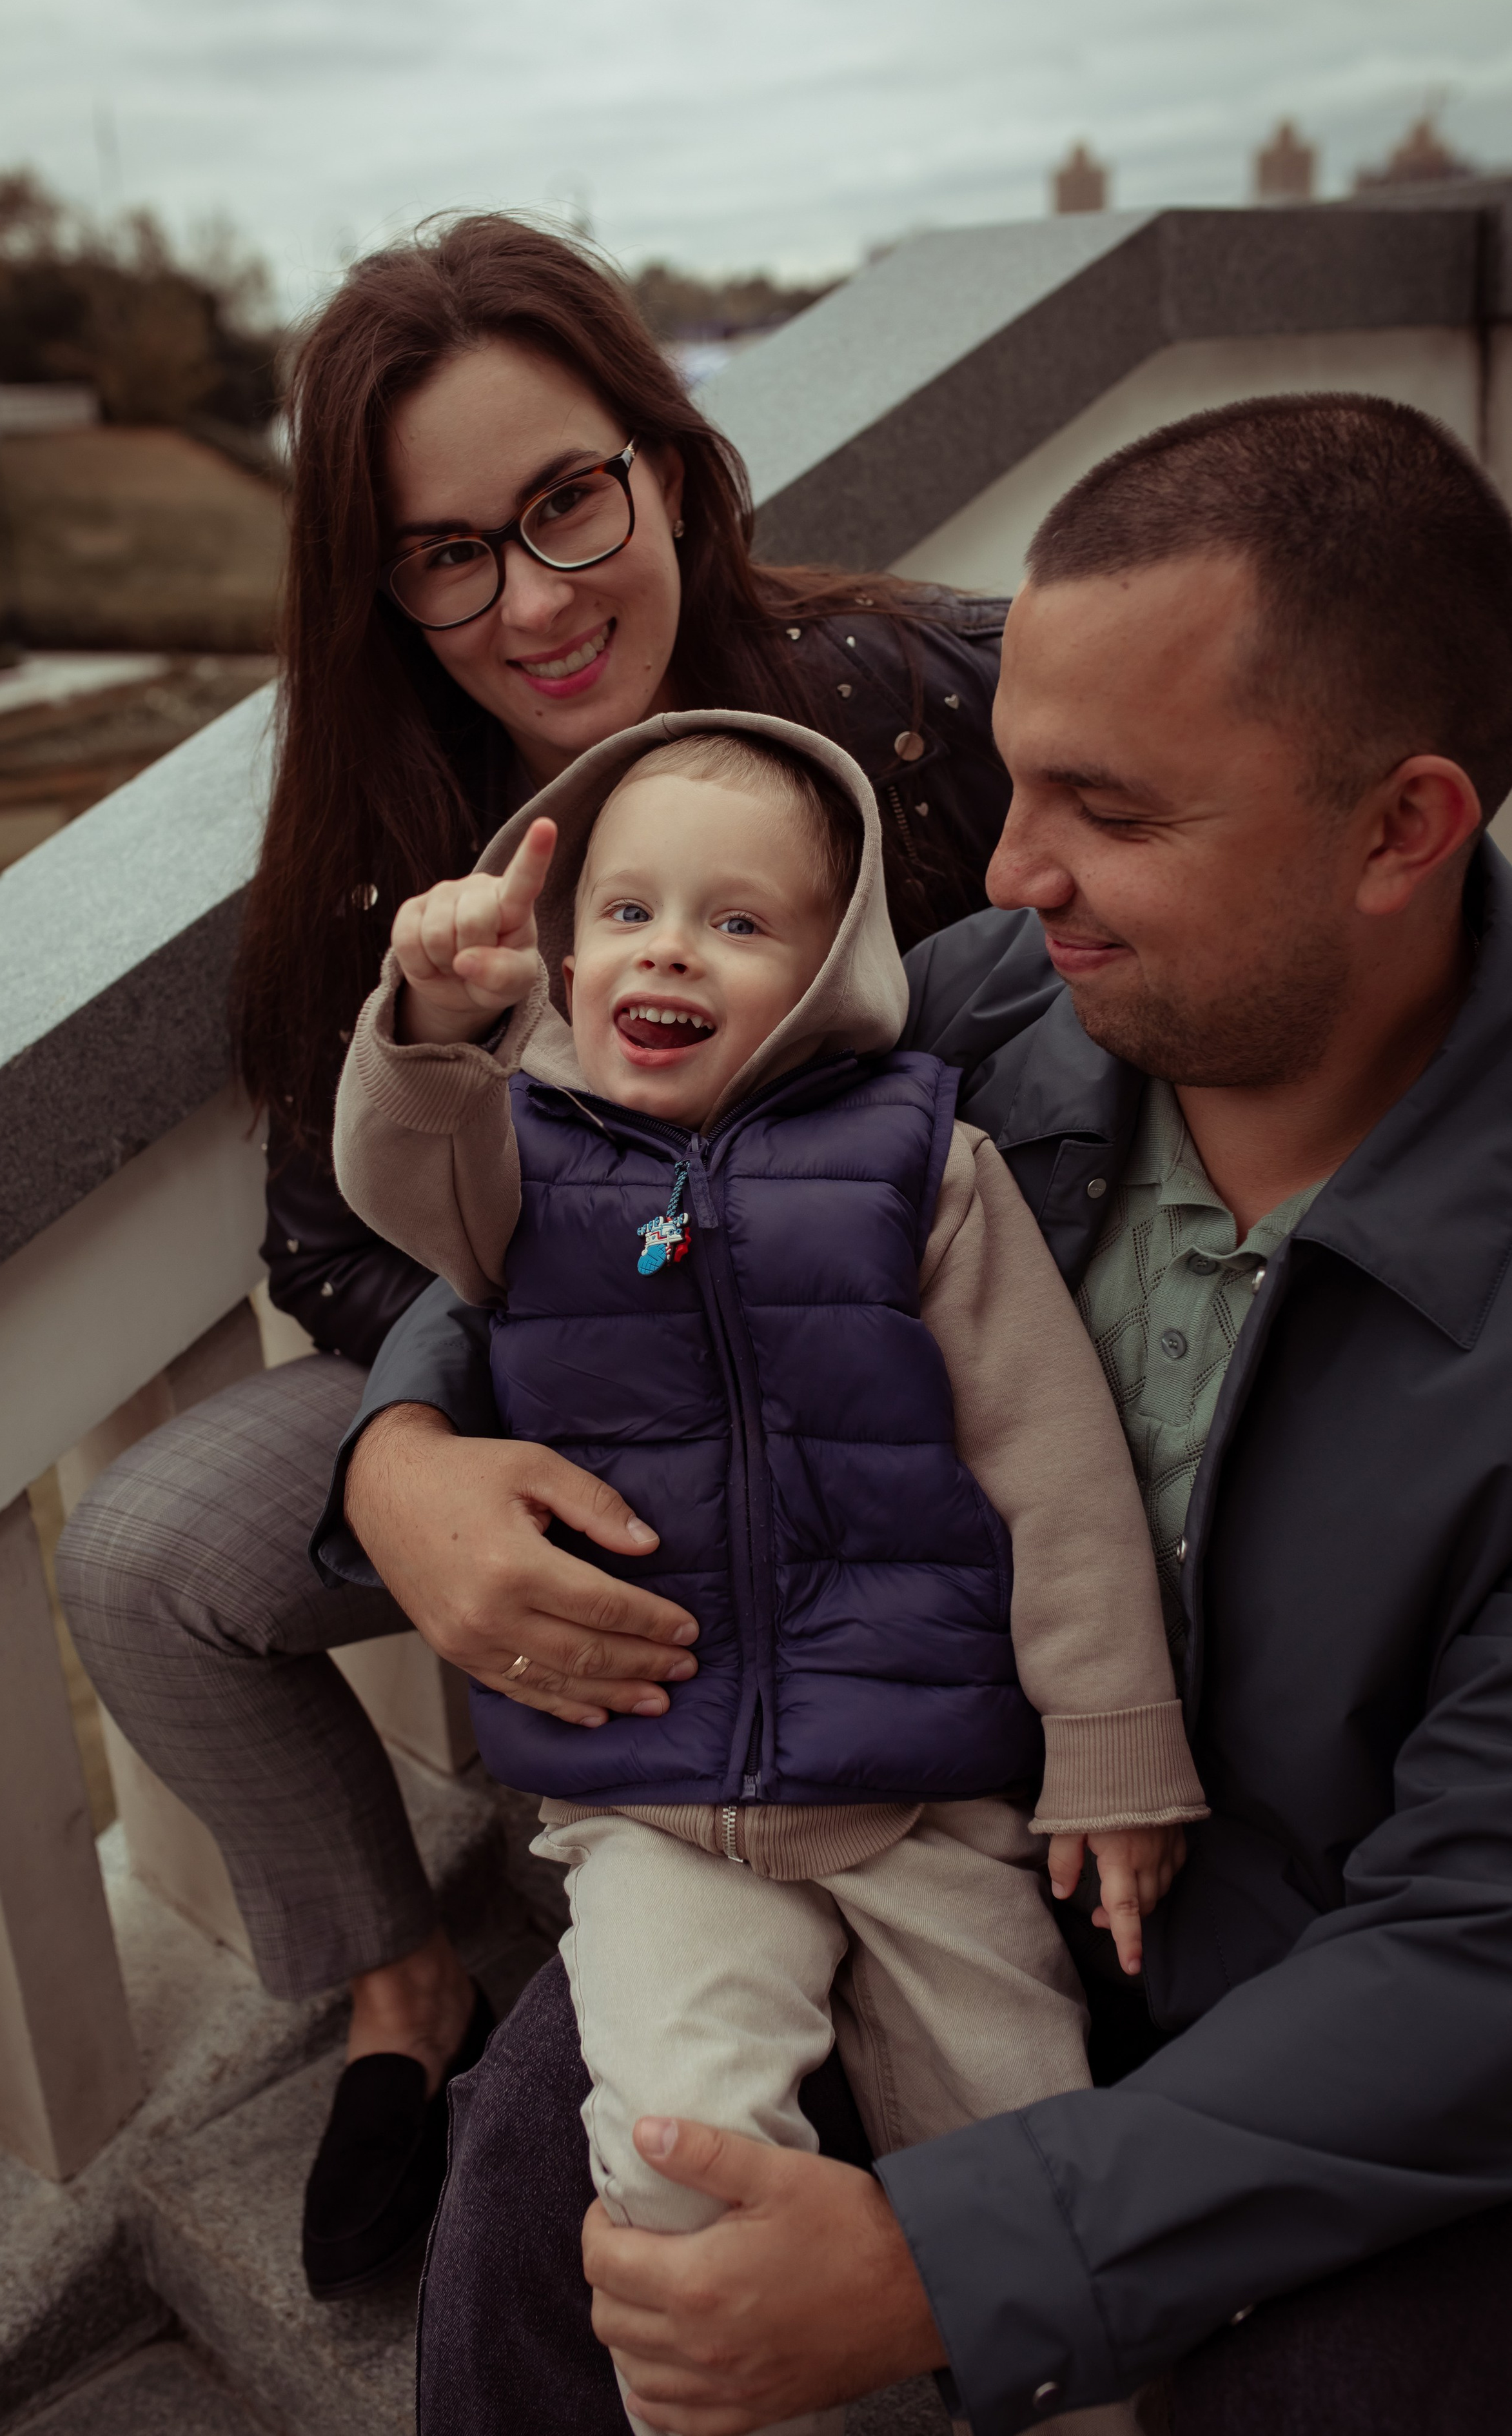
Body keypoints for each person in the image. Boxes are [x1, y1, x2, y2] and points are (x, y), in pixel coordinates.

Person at [315, 391, 1512, 2433]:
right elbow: (617, 1199)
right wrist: (402, 1454)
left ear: (1404, 826)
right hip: (894, 1810)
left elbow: (1477, 1954)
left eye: (1113, 812)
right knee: (541, 2180)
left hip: (1315, 2006)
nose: (1017, 864)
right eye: (1019, 779)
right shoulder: (988, 1004)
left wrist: (947, 2256)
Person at [53, 208, 1020, 2300]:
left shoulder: (898, 699)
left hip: (893, 1396)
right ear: (381, 585)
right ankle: (401, 1981)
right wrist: (419, 1444)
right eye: (448, 550)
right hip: (549, 1355)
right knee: (142, 1552)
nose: (537, 599)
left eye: (568, 501)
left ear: (665, 461)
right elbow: (325, 1238)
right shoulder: (385, 830)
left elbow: (1191, 754)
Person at [331, 709, 1208, 2435]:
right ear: (571, 956)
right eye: (631, 911)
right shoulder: (519, 1160)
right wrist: (432, 1013)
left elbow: (1057, 1463)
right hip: (661, 1809)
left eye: (740, 922)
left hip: (926, 1791)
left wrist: (1112, 1738)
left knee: (1023, 2150)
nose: (671, 946)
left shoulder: (921, 1163)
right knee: (672, 2162)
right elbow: (396, 1162)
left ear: (828, 971)